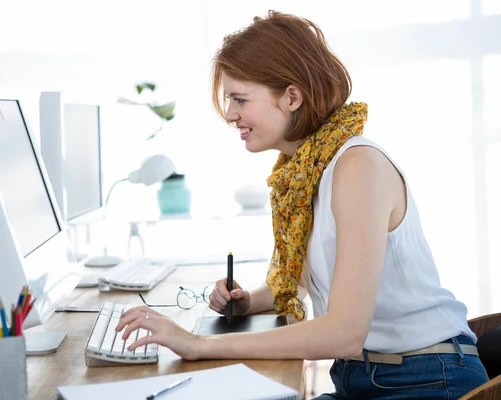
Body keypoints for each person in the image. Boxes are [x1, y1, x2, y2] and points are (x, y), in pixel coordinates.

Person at [116, 11, 489, 399]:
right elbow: (304, 284)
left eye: (240, 98)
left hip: (426, 381)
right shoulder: (305, 172)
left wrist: (198, 344)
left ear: (292, 97)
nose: (229, 114)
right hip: (365, 379)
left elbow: (344, 332)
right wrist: (247, 303)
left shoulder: (357, 166)